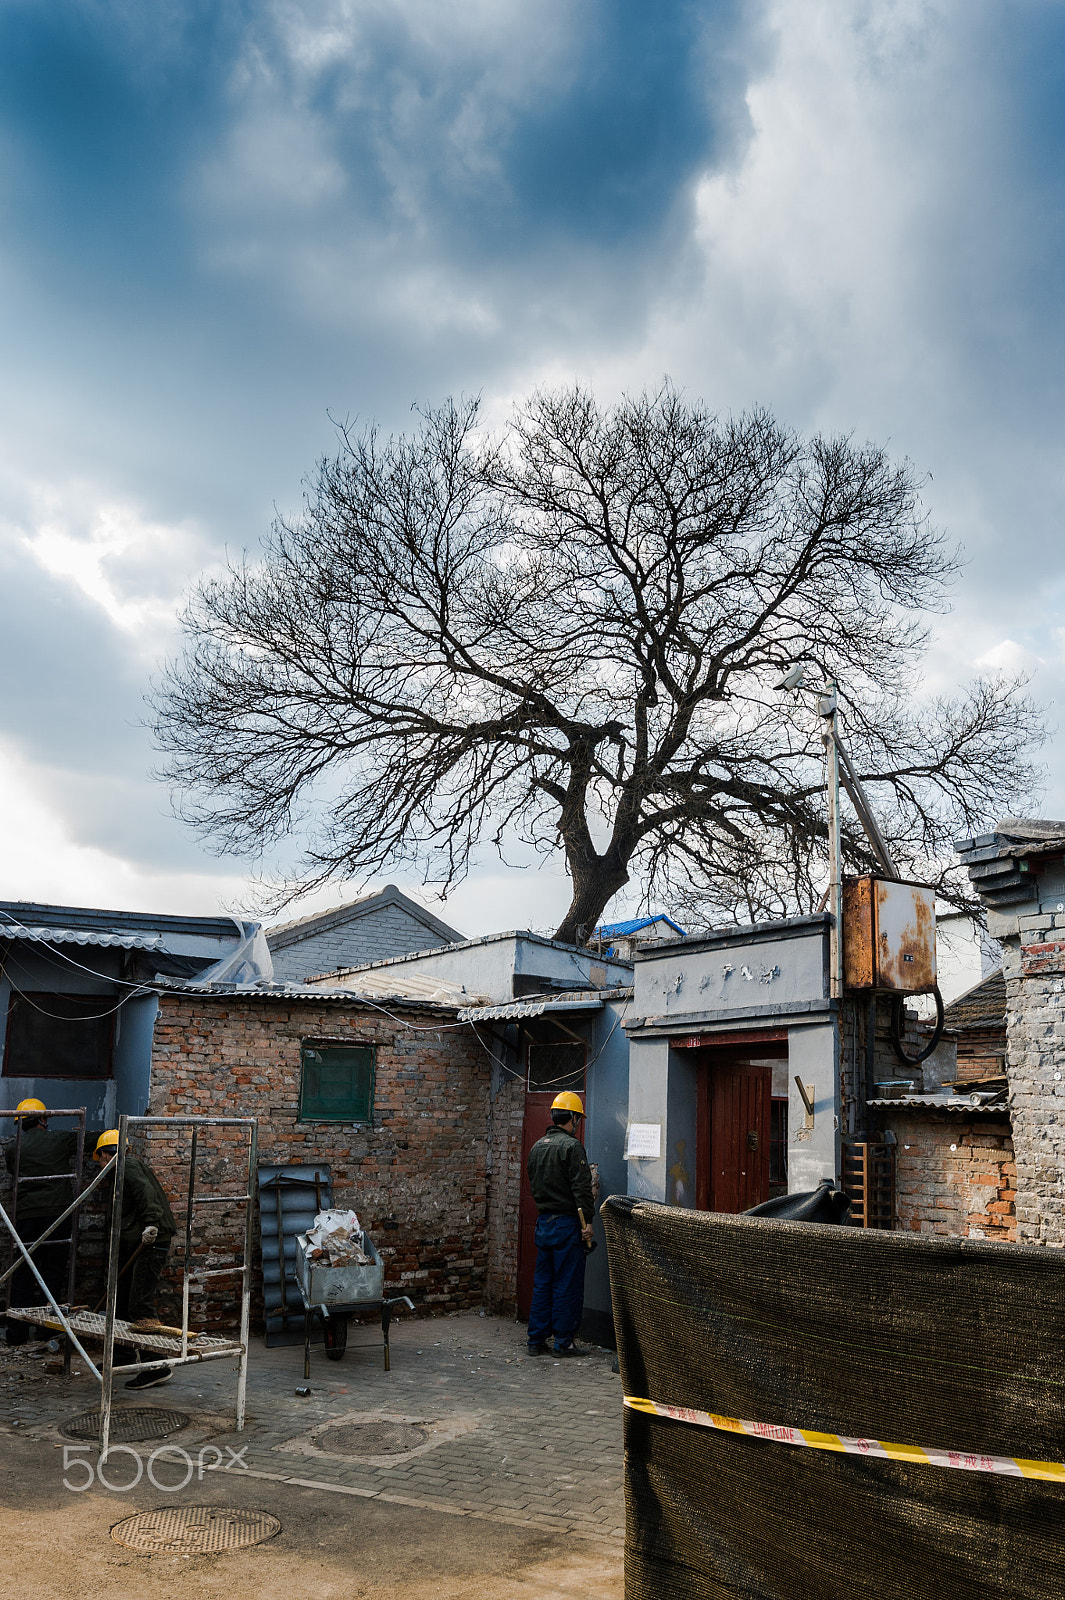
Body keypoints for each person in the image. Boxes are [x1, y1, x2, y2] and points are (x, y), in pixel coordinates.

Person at [93, 1129, 177, 1390]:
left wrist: (151, 1224)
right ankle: (123, 1355)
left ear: (107, 1154)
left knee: (139, 1304)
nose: (100, 1164)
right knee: (120, 1300)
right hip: (137, 1242)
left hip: (150, 1242)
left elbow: (146, 1195)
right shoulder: (123, 1168)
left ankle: (157, 1364)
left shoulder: (126, 1166)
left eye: (100, 1158)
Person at [4, 1099, 81, 1345]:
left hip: (25, 1215)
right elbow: (91, 1141)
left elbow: (13, 1172)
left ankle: (16, 1334)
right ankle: (47, 1330)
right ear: (43, 1119)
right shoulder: (59, 1139)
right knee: (53, 1271)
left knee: (22, 1272)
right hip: (57, 1214)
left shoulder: (13, 1148)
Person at [526, 1090, 595, 1358]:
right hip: (567, 1224)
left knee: (543, 1282)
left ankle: (536, 1340)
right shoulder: (572, 1147)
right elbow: (582, 1190)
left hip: (543, 1223)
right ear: (574, 1119)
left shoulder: (536, 1146)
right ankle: (563, 1342)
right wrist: (587, 1222)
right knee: (567, 1282)